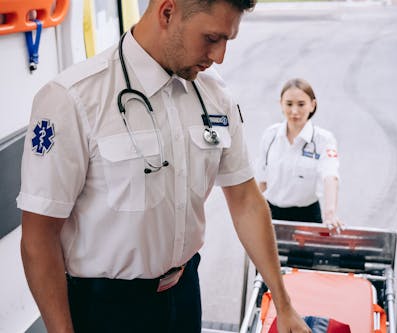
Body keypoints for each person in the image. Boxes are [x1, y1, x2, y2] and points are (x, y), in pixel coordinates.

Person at [17, 1, 311, 332]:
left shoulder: (213, 94)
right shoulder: (73, 98)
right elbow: (39, 235)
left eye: (228, 40)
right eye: (211, 38)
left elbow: (245, 199)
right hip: (106, 311)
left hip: (184, 297)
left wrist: (284, 305)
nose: (220, 56)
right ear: (167, 12)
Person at [256, 78, 342, 230]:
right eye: (289, 104)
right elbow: (262, 181)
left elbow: (330, 176)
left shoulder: (323, 139)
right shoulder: (270, 136)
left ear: (312, 105)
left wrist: (330, 214)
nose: (294, 111)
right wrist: (256, 212)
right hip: (271, 214)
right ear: (281, 104)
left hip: (307, 216)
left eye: (301, 104)